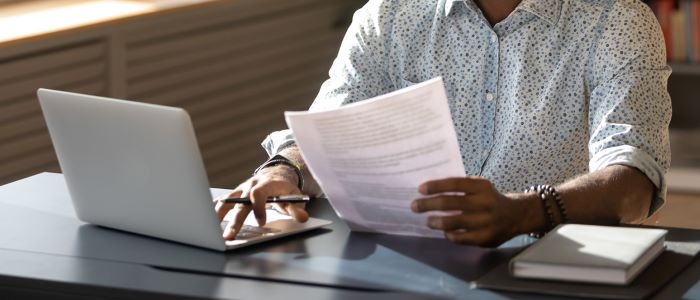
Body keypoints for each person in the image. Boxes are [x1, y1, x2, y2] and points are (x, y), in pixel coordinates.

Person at [214, 0, 671, 247]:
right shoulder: (388, 14)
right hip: (404, 257)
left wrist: (524, 212)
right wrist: (284, 169)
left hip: (545, 263)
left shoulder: (617, 19)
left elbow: (635, 177)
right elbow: (329, 130)